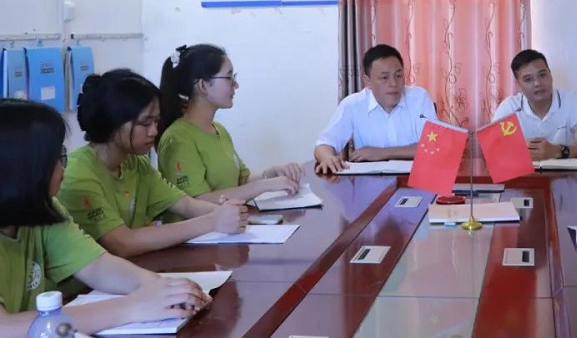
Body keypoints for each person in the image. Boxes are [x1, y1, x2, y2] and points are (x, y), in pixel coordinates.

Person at [0, 99, 210, 335]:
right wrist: (132, 307)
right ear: (22, 167)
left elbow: (96, 265)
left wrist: (161, 288)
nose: (63, 168)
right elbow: (5, 327)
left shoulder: (44, 210)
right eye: (57, 157)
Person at [57, 69, 248, 257]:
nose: (154, 131)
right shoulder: (77, 174)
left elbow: (184, 204)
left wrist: (228, 212)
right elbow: (122, 243)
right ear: (113, 122)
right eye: (145, 123)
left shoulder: (136, 163)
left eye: (156, 121)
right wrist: (212, 221)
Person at [156, 44, 303, 202]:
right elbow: (198, 201)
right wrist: (265, 186)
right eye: (229, 77)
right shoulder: (178, 139)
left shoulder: (219, 130)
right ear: (203, 85)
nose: (236, 85)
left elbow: (241, 181)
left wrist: (272, 173)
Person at [314, 44, 437, 174]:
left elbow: (434, 146)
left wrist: (381, 153)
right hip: (370, 181)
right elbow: (323, 145)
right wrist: (328, 158)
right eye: (384, 77)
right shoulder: (353, 105)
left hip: (416, 178)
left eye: (398, 75)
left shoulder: (419, 98)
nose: (393, 83)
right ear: (367, 81)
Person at [492, 49, 577, 160]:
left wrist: (557, 151)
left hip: (565, 171)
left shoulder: (571, 101)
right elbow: (491, 148)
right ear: (518, 84)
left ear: (550, 74)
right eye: (528, 79)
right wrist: (519, 150)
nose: (537, 83)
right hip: (524, 171)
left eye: (542, 75)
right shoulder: (510, 106)